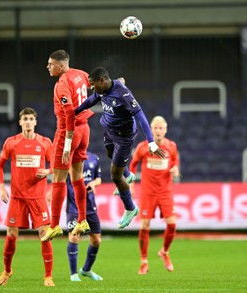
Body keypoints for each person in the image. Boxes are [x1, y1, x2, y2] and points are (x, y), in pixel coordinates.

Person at [75, 66, 166, 229]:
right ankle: (128, 175)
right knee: (110, 153)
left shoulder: (123, 94)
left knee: (115, 176)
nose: (92, 87)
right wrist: (75, 111)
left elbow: (141, 115)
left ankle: (130, 208)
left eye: (93, 84)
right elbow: (92, 100)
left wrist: (151, 141)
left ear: (102, 80)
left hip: (124, 137)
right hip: (109, 129)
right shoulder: (102, 89)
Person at [0, 107, 55, 287]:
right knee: (11, 235)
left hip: (37, 197)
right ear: (20, 122)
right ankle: (7, 270)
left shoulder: (45, 142)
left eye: (30, 119)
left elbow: (56, 166)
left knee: (45, 235)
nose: (28, 121)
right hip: (18, 197)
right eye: (25, 119)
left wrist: (48, 171)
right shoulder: (11, 143)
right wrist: (1, 188)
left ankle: (48, 276)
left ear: (35, 122)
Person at [41, 49, 95, 242]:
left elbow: (69, 113)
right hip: (85, 130)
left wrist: (67, 144)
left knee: (58, 179)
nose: (48, 67)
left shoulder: (62, 84)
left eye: (50, 63)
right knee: (77, 177)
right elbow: (96, 83)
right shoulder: (81, 74)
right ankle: (82, 220)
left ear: (61, 65)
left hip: (68, 132)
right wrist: (116, 83)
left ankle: (54, 225)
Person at [129, 116, 180, 275]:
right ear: (151, 130)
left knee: (172, 224)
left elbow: (175, 161)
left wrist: (176, 170)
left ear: (165, 130)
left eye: (161, 128)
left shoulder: (171, 146)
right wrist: (131, 184)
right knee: (144, 226)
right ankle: (144, 261)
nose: (158, 131)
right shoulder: (143, 147)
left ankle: (164, 252)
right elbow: (133, 164)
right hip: (148, 192)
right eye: (155, 128)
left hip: (165, 191)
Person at [46, 151, 104, 282]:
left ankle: (86, 270)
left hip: (90, 206)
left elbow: (99, 178)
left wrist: (94, 184)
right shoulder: (68, 158)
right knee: (74, 237)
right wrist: (51, 192)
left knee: (96, 240)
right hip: (73, 207)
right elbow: (59, 178)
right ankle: (73, 274)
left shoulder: (94, 157)